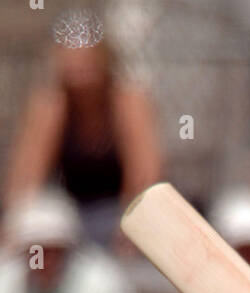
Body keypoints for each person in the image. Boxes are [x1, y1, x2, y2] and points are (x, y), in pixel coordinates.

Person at [3, 20, 161, 248]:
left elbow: (145, 174)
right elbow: (27, 174)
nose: (78, 66)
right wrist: (16, 224)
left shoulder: (128, 101)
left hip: (116, 210)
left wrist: (132, 228)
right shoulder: (50, 105)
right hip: (70, 213)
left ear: (103, 59)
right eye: (71, 57)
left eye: (86, 58)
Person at [0, 188, 131, 293]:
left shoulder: (101, 280)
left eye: (54, 250)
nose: (45, 259)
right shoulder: (5, 279)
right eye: (38, 250)